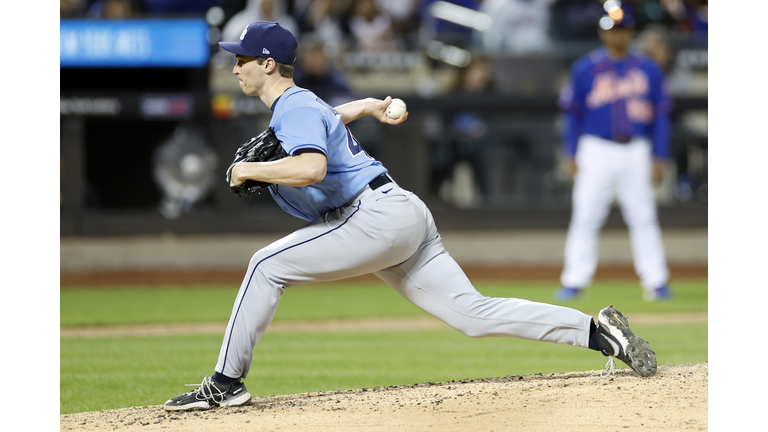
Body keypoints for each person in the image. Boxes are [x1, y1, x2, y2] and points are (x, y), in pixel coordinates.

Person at [163, 21, 658, 412]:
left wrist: (248, 168)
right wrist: (370, 105)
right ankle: (597, 333)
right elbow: (331, 119)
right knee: (471, 314)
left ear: (268, 64)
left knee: (264, 265)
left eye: (242, 59)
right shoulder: (303, 104)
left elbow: (312, 168)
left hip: (372, 218)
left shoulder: (293, 109)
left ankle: (225, 385)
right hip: (401, 211)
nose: (235, 68)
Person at [553, 4, 673, 302]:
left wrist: (659, 156)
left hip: (637, 147)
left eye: (621, 29)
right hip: (596, 148)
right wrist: (571, 154)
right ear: (601, 32)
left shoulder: (648, 68)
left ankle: (656, 281)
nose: (616, 35)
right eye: (611, 30)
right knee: (586, 216)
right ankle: (574, 281)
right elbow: (573, 116)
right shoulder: (585, 68)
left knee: (643, 216)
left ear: (631, 31)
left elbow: (660, 116)